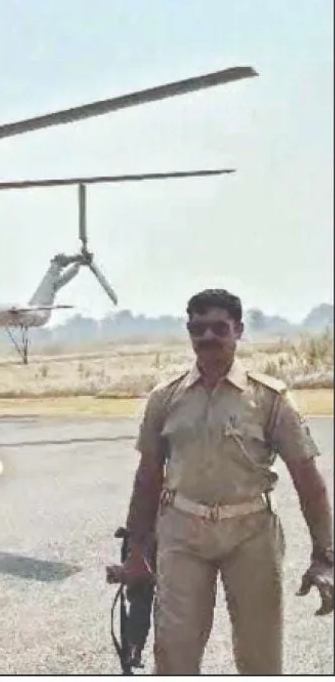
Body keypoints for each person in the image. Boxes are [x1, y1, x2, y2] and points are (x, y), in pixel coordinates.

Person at [118, 288, 334, 675]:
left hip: (251, 535)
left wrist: (325, 556)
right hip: (182, 535)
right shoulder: (164, 398)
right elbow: (147, 478)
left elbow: (308, 479)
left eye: (219, 328)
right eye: (198, 328)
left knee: (260, 657)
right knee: (174, 656)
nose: (208, 337)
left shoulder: (270, 399)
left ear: (239, 331)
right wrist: (137, 550)